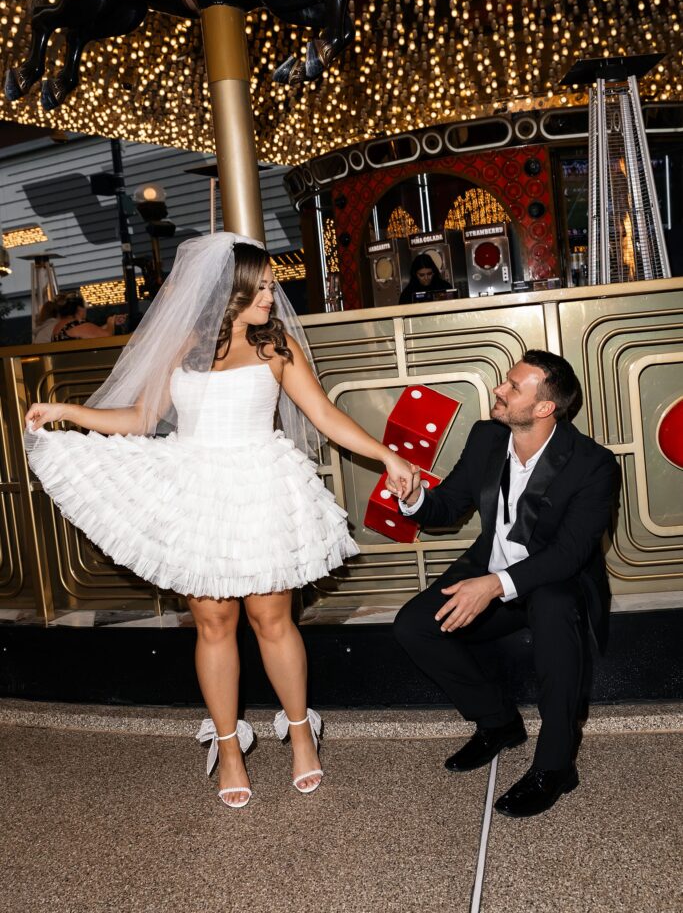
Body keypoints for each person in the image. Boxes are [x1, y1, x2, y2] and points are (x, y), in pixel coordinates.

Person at [24, 233, 414, 809]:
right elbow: (140, 417)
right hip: (195, 488)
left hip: (258, 484)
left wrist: (386, 455)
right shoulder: (183, 344)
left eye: (271, 284)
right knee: (213, 623)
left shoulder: (275, 345)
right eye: (261, 286)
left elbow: (324, 413)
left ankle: (301, 733)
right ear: (227, 290)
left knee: (271, 618)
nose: (272, 293)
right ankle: (229, 747)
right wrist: (65, 411)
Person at [392, 350, 620, 818]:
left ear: (543, 408)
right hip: (491, 573)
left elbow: (569, 554)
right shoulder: (487, 438)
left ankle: (556, 767)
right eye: (506, 382)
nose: (499, 389)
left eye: (514, 387)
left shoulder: (593, 465)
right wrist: (415, 499)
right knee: (413, 625)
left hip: (554, 583)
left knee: (555, 609)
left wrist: (494, 586)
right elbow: (449, 507)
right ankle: (498, 723)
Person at [49, 291, 125, 341]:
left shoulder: (60, 326)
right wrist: (110, 321)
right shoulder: (76, 325)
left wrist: (109, 324)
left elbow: (92, 332)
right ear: (79, 308)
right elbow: (108, 336)